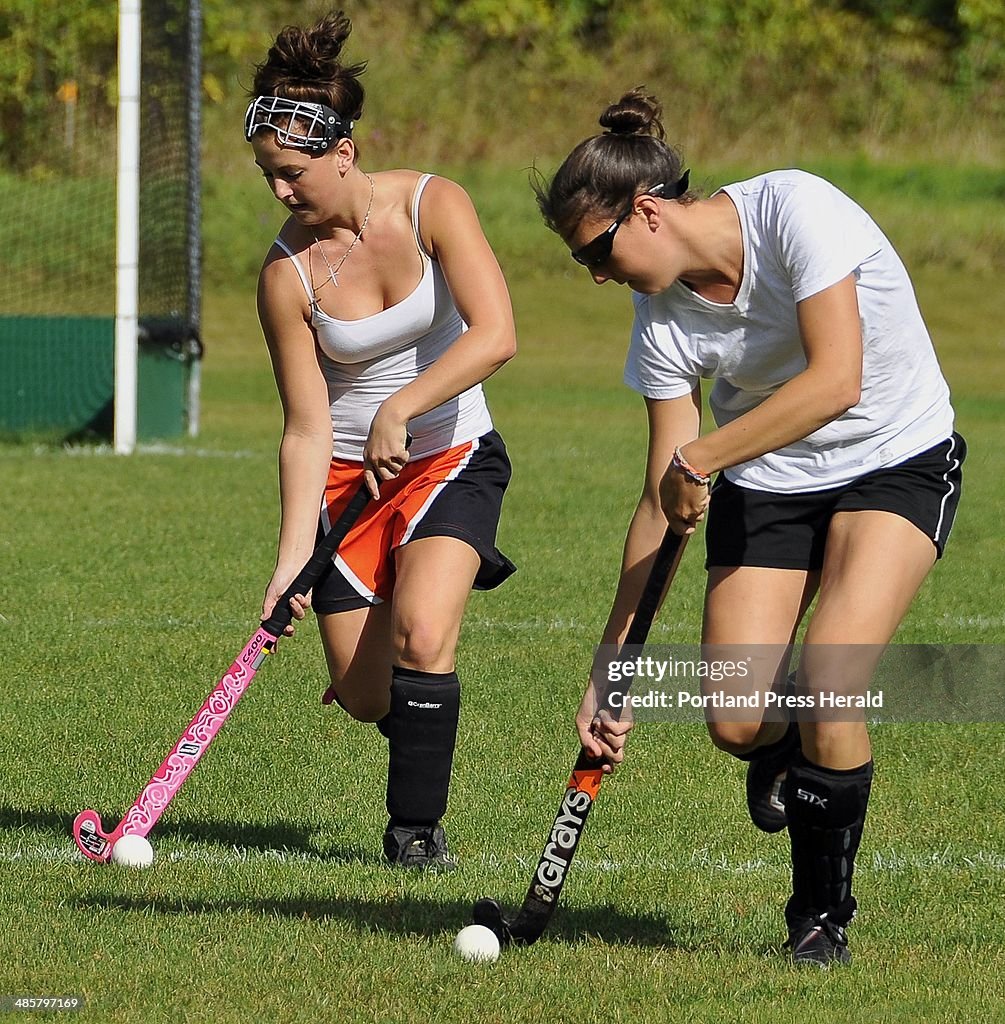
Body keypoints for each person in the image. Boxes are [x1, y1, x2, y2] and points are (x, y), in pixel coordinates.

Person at [534, 89, 964, 965]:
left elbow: (836, 378)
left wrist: (704, 457)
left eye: (596, 251)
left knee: (833, 673)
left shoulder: (797, 211)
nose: (595, 275)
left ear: (645, 211)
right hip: (769, 479)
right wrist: (611, 669)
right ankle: (790, 746)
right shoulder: (658, 323)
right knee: (735, 719)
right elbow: (662, 494)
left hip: (894, 455)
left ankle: (817, 919)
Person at [245, 10, 517, 869]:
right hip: (344, 483)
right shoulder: (284, 276)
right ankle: (415, 700)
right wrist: (292, 556)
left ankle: (414, 834)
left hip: (448, 453)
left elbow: (495, 334)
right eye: (268, 177)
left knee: (424, 637)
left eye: (294, 174)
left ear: (343, 152)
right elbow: (304, 423)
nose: (282, 194)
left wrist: (406, 407)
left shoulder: (434, 201)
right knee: (367, 696)